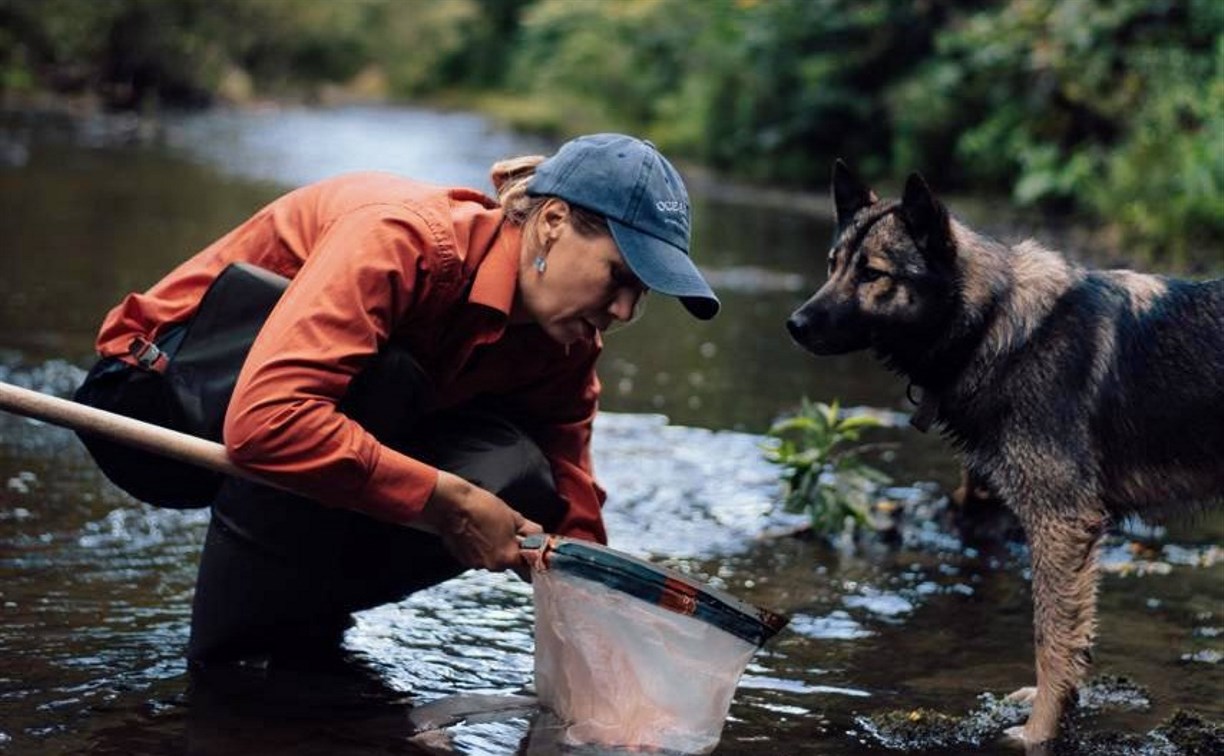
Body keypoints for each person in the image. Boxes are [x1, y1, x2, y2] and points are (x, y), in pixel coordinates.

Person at [77, 133, 720, 664]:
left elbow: (574, 492)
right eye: (620, 277)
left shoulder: (567, 341)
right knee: (389, 381)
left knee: (527, 478)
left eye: (644, 294)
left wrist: (604, 611)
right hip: (159, 400)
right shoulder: (405, 240)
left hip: (308, 425)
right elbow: (270, 423)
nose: (625, 310)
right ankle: (238, 650)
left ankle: (298, 616)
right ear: (552, 225)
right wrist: (452, 501)